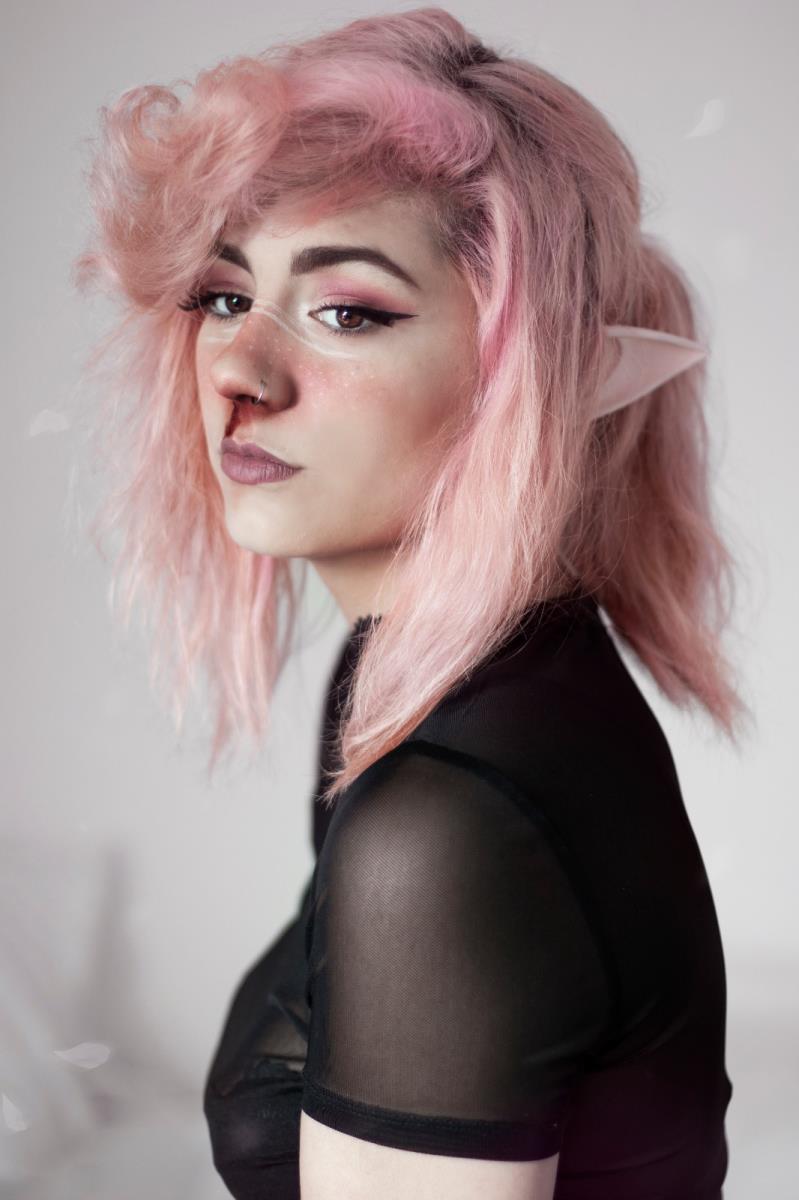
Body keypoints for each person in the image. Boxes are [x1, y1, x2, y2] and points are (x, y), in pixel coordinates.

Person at [72, 8, 752, 1198]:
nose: (239, 371)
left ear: (531, 374)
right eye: (223, 296)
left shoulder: (449, 817)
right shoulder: (434, 678)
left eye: (347, 311)